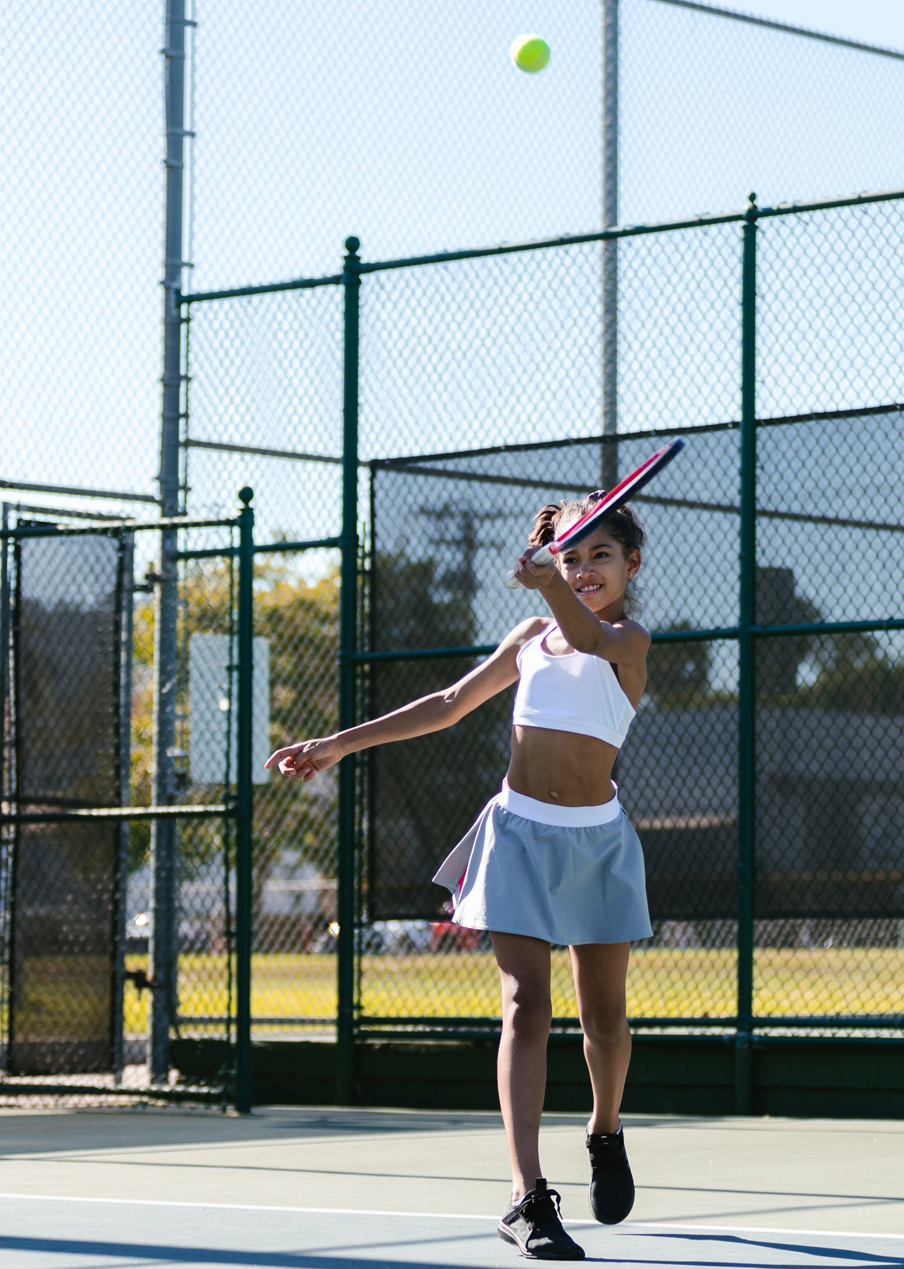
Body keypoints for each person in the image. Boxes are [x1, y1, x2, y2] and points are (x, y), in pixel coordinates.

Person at [267, 494, 653, 1262]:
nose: (581, 570)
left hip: (597, 844)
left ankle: (604, 1130)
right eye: (568, 557)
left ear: (629, 565)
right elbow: (448, 705)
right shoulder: (531, 637)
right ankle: (527, 1195)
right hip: (516, 835)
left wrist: (547, 585)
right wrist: (338, 744)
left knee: (604, 1023)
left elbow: (585, 634)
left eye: (597, 556)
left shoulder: (626, 639)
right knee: (525, 1007)